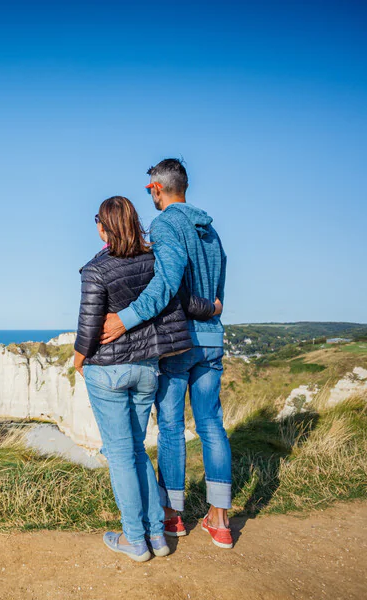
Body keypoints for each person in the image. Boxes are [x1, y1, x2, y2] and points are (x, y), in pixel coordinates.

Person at [100, 158, 233, 549]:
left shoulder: (164, 225)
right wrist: (211, 309)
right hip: (212, 339)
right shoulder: (211, 230)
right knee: (211, 424)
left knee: (172, 426)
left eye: (149, 190)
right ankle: (220, 521)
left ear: (156, 188)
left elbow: (166, 283)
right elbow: (217, 293)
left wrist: (125, 319)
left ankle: (173, 517)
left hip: (179, 342)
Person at [74, 195, 197, 562]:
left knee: (120, 454)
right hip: (146, 369)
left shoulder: (96, 269)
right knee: (136, 449)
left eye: (98, 219)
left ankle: (134, 539)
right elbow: (171, 298)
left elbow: (89, 326)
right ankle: (157, 536)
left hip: (108, 371)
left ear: (104, 226)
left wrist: (78, 361)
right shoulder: (153, 259)